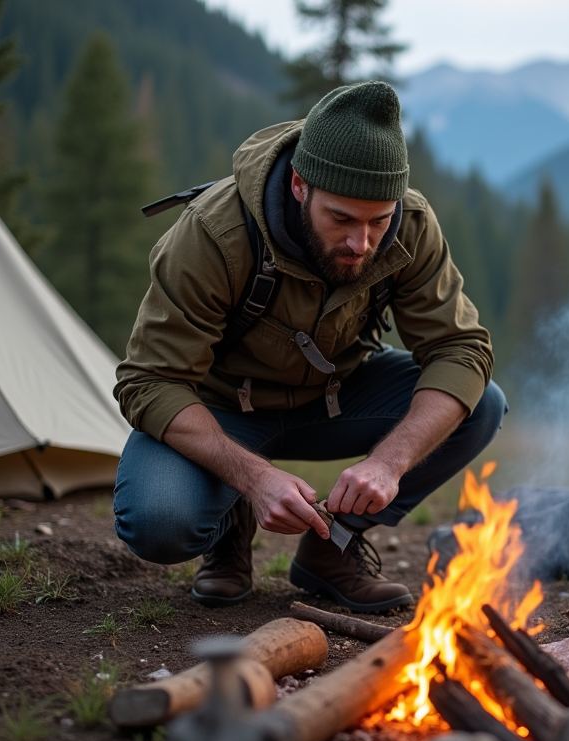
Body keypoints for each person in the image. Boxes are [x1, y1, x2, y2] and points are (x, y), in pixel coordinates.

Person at [113, 81, 506, 613]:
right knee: (159, 523)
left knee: (480, 404)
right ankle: (229, 526)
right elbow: (149, 381)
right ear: (300, 185)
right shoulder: (214, 232)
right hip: (222, 410)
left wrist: (388, 464)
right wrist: (254, 478)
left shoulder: (412, 225)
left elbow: (460, 350)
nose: (360, 243)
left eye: (378, 220)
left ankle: (332, 546)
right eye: (341, 218)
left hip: (338, 399)